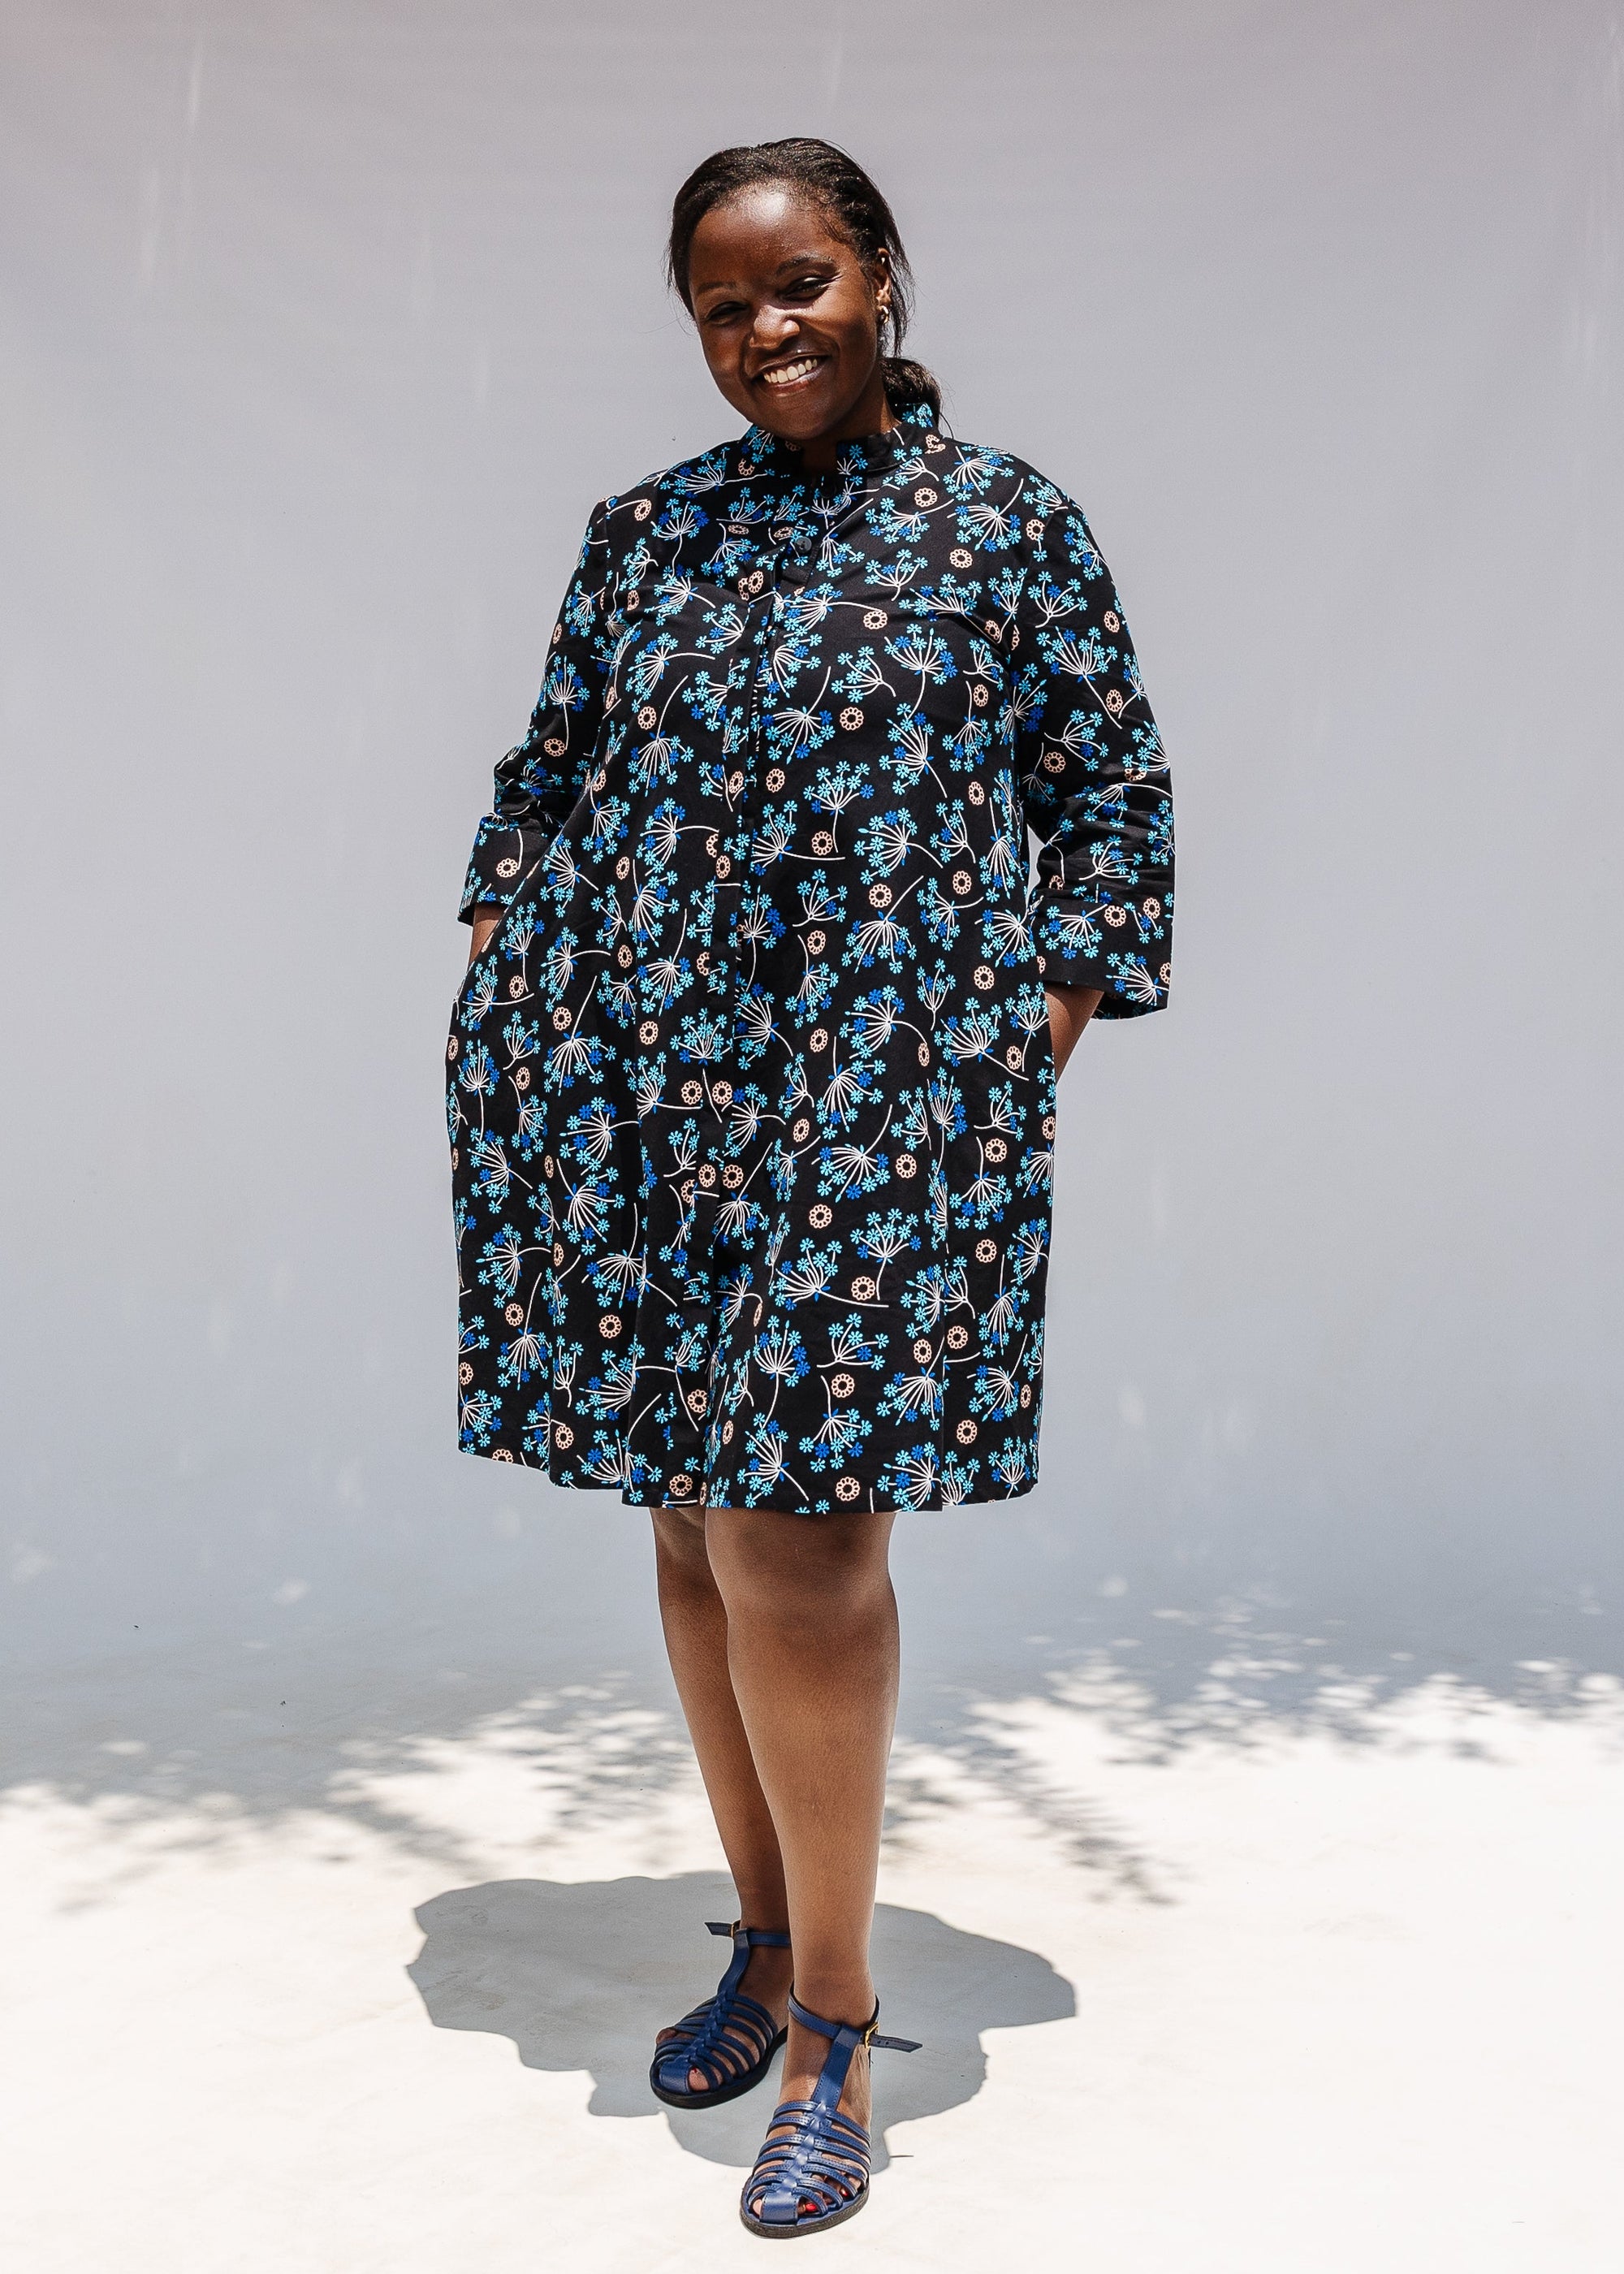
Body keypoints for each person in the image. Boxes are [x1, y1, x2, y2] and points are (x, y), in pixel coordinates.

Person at [447, 136, 1173, 2238]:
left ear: (885, 277)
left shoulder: (1004, 529)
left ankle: (842, 2023)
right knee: (695, 1521)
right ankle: (763, 1943)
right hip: (651, 1109)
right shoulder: (646, 536)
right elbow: (551, 786)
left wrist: (1004, 1062)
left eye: (803, 283)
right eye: (723, 302)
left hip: (884, 1111)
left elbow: (1108, 809)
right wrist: (521, 968)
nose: (768, 329)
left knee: (800, 1542)